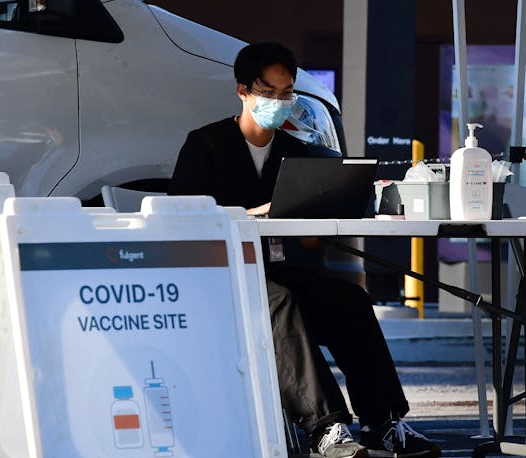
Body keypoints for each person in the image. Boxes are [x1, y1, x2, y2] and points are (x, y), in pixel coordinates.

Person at [168, 42, 441, 458]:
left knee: (348, 300)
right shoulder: (206, 145)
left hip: (285, 269)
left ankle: (383, 423)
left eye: (286, 92)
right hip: (223, 278)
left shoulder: (298, 154)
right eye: (268, 91)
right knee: (281, 302)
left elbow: (310, 239)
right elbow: (183, 219)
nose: (278, 102)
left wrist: (325, 211)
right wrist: (253, 213)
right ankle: (327, 427)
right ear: (243, 90)